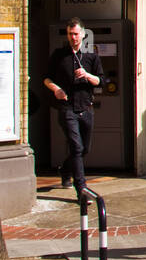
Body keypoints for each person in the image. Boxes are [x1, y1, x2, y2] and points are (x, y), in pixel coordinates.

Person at [43, 18, 104, 199]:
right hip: (67, 108)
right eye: (70, 34)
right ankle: (82, 190)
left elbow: (101, 81)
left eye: (76, 34)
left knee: (84, 149)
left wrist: (86, 75)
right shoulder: (59, 55)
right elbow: (46, 79)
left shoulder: (91, 57)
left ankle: (65, 170)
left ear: (83, 35)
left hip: (86, 107)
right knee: (76, 148)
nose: (73, 37)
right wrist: (56, 89)